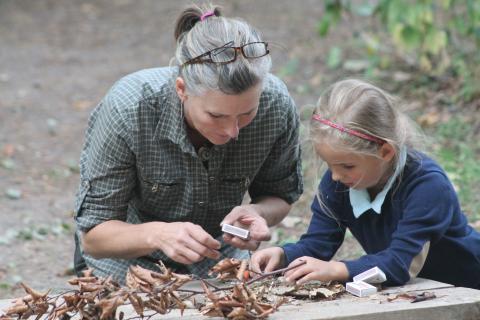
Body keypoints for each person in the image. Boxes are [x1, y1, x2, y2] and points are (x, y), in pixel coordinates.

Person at [73, 4, 303, 283]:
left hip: (218, 258)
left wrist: (257, 213)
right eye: (216, 115)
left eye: (246, 114)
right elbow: (94, 236)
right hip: (128, 263)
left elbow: (279, 195)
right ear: (182, 90)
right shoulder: (129, 109)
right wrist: (157, 234)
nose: (232, 131)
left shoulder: (275, 105)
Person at [251, 79, 480, 289]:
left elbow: (400, 264)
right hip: (422, 292)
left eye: (347, 166)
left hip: (468, 287)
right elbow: (318, 244)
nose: (335, 177)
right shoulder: (339, 182)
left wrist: (337, 269)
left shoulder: (427, 186)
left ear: (385, 151)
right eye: (329, 165)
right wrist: (282, 256)